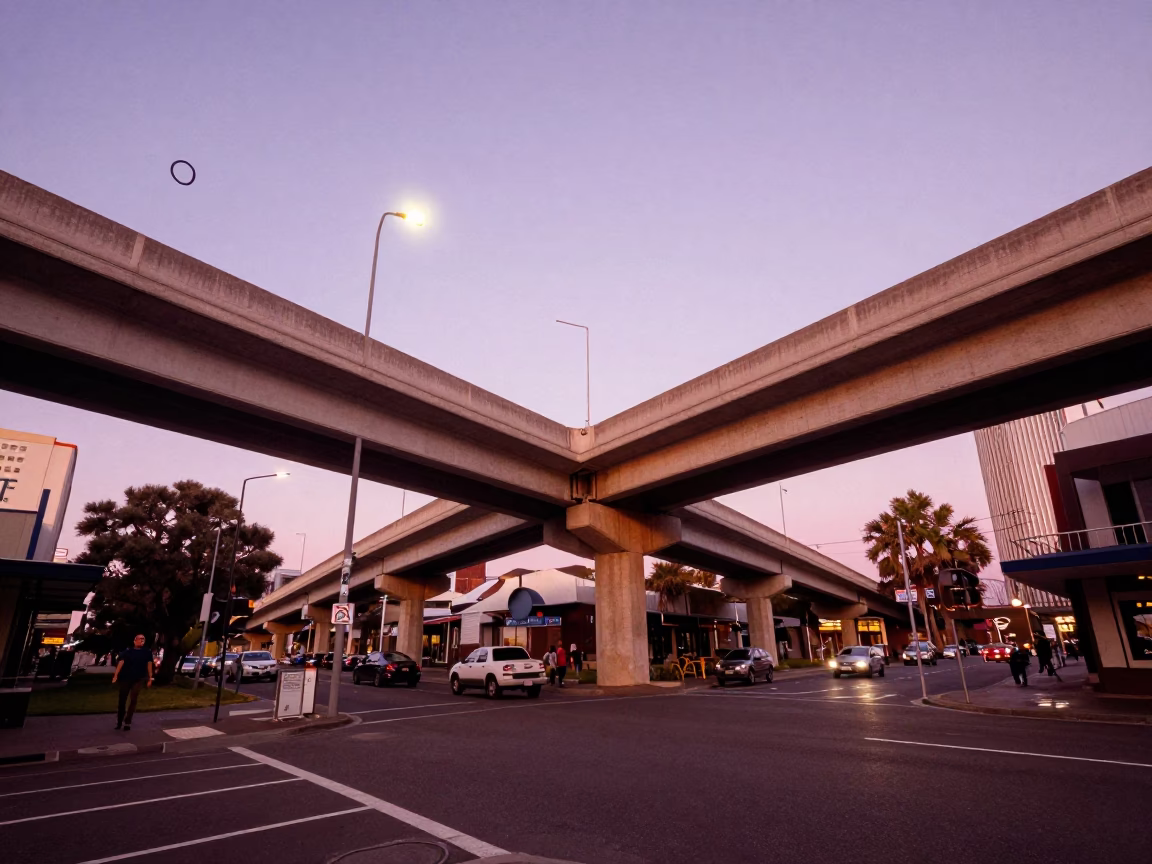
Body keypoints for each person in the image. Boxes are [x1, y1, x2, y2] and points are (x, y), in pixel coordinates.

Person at [112, 633, 154, 730]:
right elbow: (121, 662)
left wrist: (150, 677)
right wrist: (116, 675)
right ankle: (119, 721)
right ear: (135, 641)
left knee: (133, 699)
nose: (142, 641)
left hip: (138, 678)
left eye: (143, 639)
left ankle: (127, 722)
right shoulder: (128, 651)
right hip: (125, 678)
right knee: (122, 700)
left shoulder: (147, 652)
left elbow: (149, 664)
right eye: (140, 639)